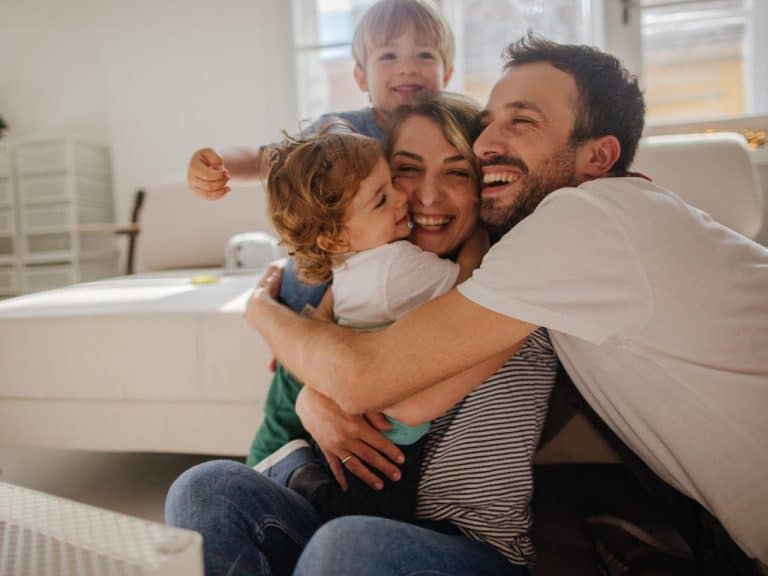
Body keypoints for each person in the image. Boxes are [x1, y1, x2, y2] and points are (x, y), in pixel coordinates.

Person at [245, 35, 768, 576]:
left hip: (471, 537)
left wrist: (261, 312)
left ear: (599, 156)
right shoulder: (568, 247)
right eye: (489, 122)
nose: (486, 143)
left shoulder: (578, 223)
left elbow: (376, 384)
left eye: (521, 121)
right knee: (211, 488)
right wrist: (311, 389)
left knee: (345, 547)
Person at [166, 92, 558, 576]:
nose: (424, 197)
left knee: (345, 546)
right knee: (202, 486)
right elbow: (326, 349)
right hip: (348, 514)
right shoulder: (372, 273)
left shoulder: (512, 281)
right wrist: (305, 380)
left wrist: (273, 324)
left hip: (469, 548)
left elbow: (386, 389)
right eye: (404, 173)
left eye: (457, 172)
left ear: (484, 183)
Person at [186, 0, 457, 466]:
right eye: (388, 56)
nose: (407, 68)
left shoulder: (454, 128)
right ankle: (272, 461)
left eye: (425, 56)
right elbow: (270, 156)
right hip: (316, 295)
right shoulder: (342, 132)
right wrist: (220, 165)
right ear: (359, 76)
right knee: (289, 406)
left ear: (448, 72)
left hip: (384, 305)